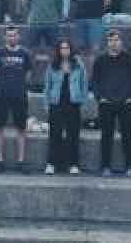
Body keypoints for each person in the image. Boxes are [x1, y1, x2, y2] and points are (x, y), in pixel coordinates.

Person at [92, 29, 131, 176]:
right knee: (106, 136)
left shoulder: (130, 59)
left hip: (126, 103)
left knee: (127, 135)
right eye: (111, 40)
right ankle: (105, 166)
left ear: (121, 41)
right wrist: (100, 97)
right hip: (106, 103)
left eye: (117, 40)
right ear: (107, 43)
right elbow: (95, 81)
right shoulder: (100, 60)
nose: (114, 43)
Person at [0, 26, 33, 173]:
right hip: (1, 95)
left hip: (20, 95)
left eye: (14, 35)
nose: (11, 38)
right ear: (5, 37)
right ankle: (0, 161)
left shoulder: (25, 54)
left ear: (18, 37)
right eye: (9, 35)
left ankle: (21, 162)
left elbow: (28, 75)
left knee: (21, 129)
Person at [44, 38, 87, 175]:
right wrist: (46, 103)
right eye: (62, 48)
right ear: (58, 50)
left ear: (71, 49)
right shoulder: (53, 65)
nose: (65, 51)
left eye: (67, 48)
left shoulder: (78, 64)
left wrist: (83, 100)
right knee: (54, 134)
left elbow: (84, 83)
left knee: (73, 134)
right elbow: (47, 85)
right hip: (56, 102)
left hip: (73, 103)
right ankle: (52, 163)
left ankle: (73, 163)